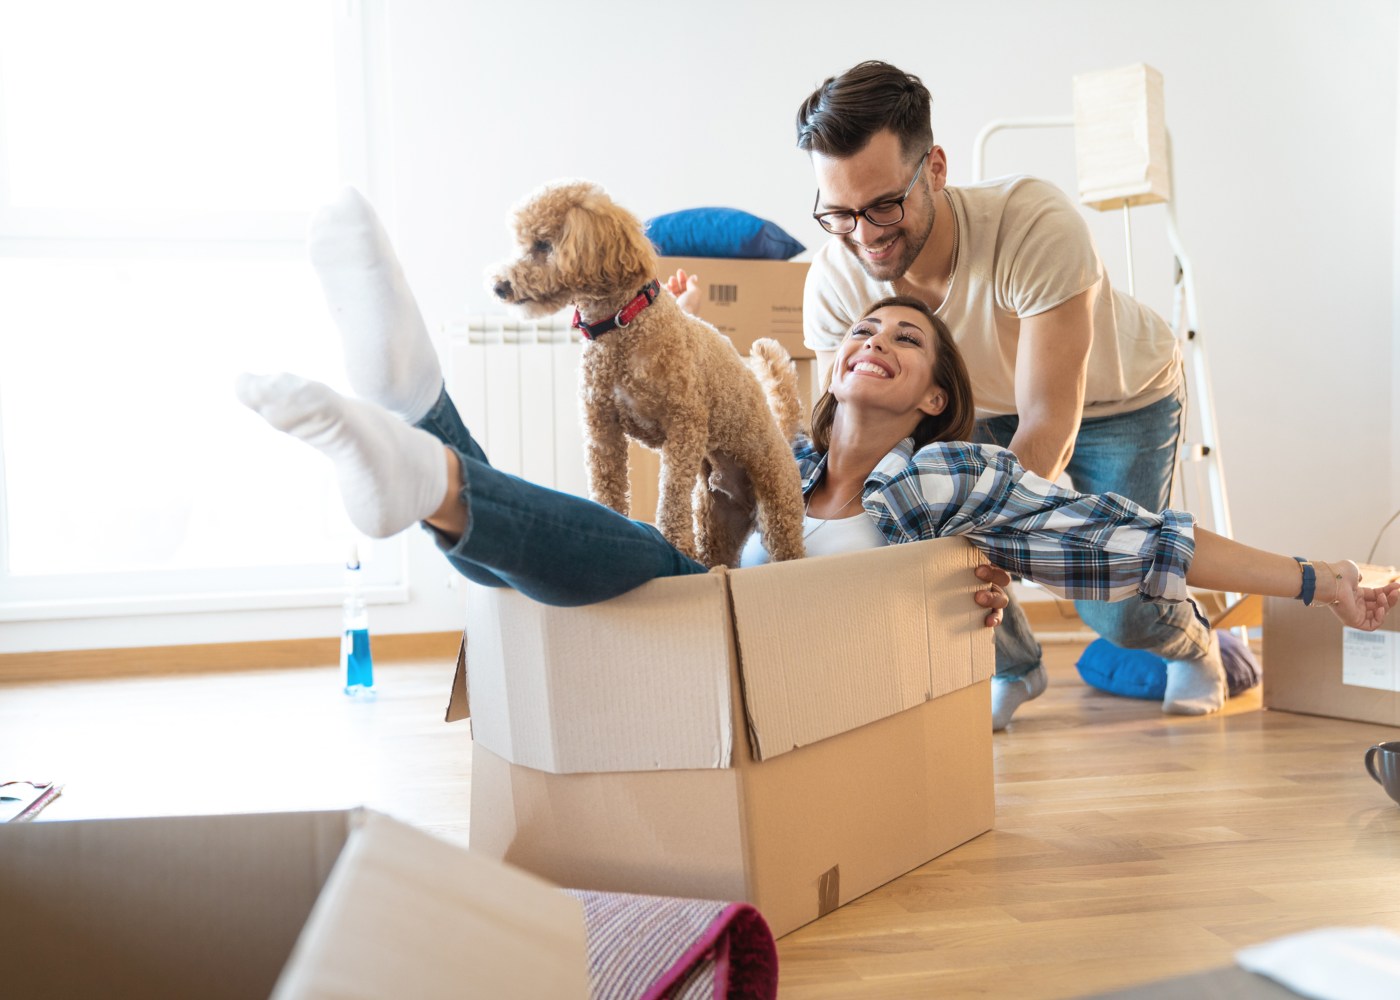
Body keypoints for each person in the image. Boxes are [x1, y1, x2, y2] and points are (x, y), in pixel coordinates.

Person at [237, 191, 1397, 685]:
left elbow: (1144, 541)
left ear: (934, 397)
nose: (873, 339)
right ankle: (415, 417)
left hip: (782, 676)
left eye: (908, 340)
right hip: (690, 637)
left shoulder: (949, 481)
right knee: (633, 559)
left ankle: (423, 437)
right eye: (864, 330)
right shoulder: (777, 460)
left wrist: (1321, 579)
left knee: (650, 572)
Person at [794, 59, 1201, 729]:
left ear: (936, 168)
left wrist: (997, 541)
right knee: (919, 538)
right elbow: (843, 443)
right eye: (839, 214)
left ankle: (1194, 644)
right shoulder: (835, 280)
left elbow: (1048, 418)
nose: (864, 237)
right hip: (969, 408)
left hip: (1115, 399)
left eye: (884, 206)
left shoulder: (1030, 223)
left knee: (1111, 598)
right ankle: (1016, 665)